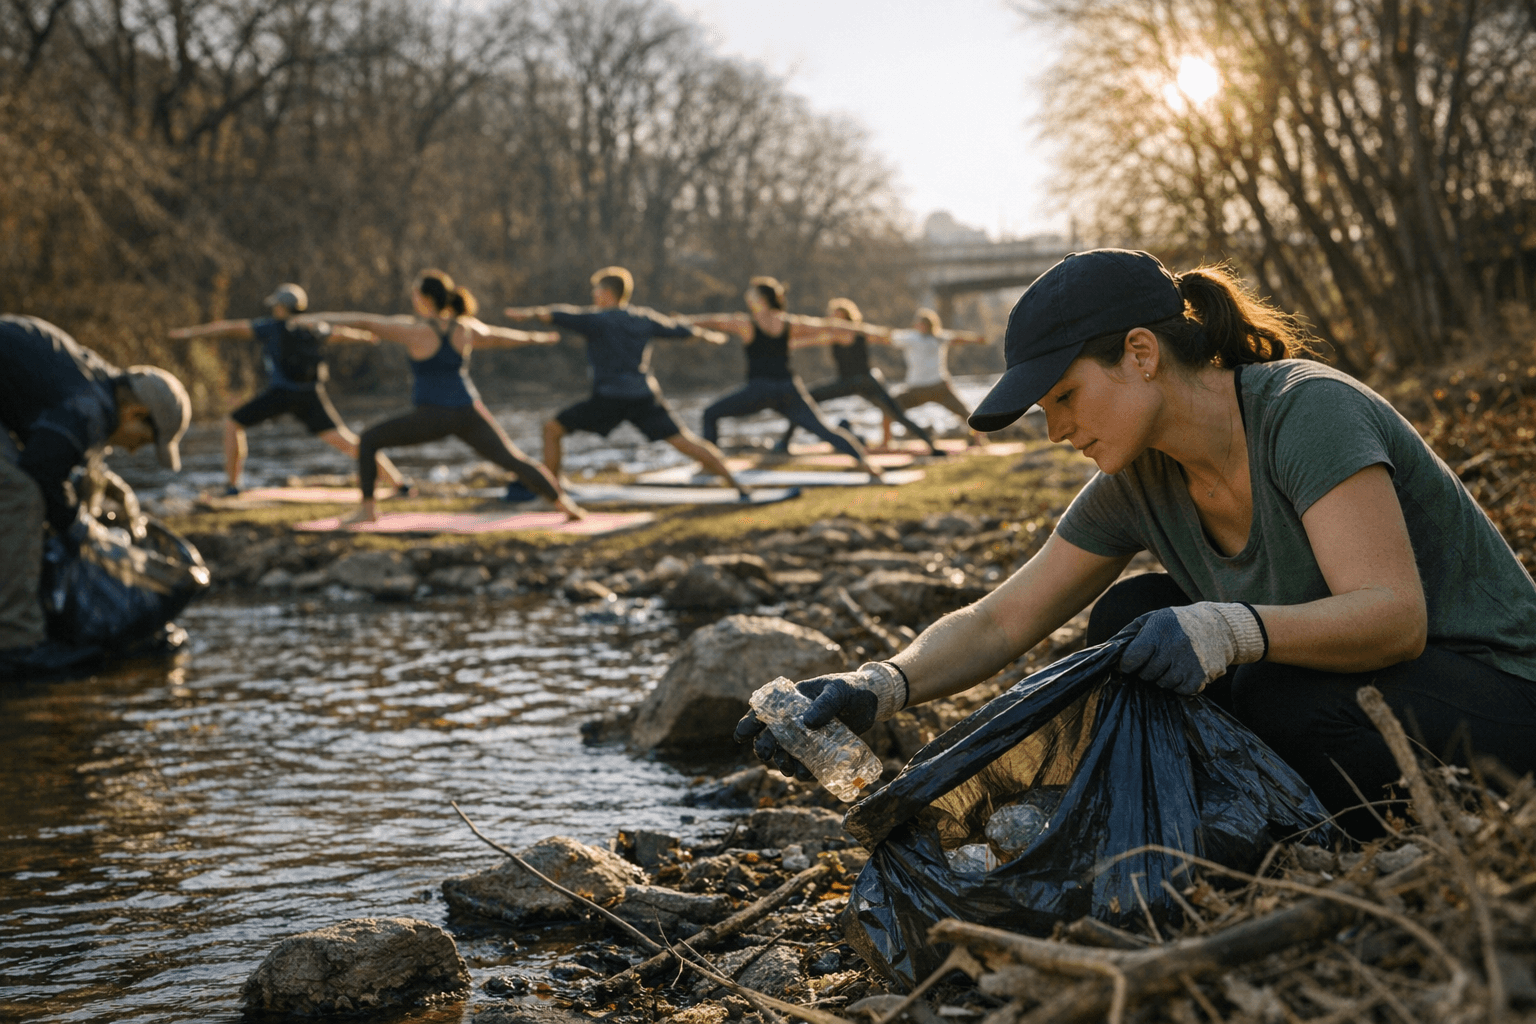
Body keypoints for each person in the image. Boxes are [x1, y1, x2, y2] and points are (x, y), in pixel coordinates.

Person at [736, 248, 1536, 838]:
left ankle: (1304, 831)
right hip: (1360, 703)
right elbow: (1003, 620)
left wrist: (1229, 630)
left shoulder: (1306, 412)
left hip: (1497, 697)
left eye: (1065, 397)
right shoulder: (1138, 479)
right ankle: (1267, 822)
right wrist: (878, 685)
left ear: (1141, 355)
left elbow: (1394, 617)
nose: (1053, 430)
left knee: (1263, 681)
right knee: (1136, 611)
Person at [302, 269, 584, 525]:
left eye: (415, 293)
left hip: (432, 416)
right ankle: (565, 504)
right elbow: (499, 337)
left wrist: (313, 319)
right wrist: (537, 339)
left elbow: (365, 322)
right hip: (468, 412)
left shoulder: (413, 331)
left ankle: (367, 510)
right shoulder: (464, 327)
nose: (413, 298)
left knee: (369, 440)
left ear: (424, 298)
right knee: (514, 460)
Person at [1, 315, 191, 653]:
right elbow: (43, 473)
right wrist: (83, 533)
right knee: (21, 495)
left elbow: (60, 452)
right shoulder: (89, 406)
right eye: (144, 441)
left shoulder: (96, 385)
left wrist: (109, 488)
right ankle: (17, 641)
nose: (134, 451)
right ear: (134, 413)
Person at [503, 266, 752, 499]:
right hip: (643, 396)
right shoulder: (643, 318)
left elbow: (559, 314)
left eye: (596, 289)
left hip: (609, 399)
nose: (593, 294)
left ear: (606, 293)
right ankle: (737, 484)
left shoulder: (596, 320)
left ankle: (553, 490)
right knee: (684, 441)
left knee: (551, 430)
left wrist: (527, 315)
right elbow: (680, 330)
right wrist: (710, 337)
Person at [168, 283, 405, 495]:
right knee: (345, 440)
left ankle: (232, 486)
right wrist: (366, 337)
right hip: (310, 395)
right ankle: (398, 482)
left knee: (233, 424)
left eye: (276, 306)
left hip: (281, 394)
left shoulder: (271, 327)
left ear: (282, 308)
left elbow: (229, 329)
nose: (274, 310)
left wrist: (190, 333)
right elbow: (340, 335)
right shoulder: (314, 327)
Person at [682, 277, 886, 479]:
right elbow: (825, 326)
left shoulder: (747, 324)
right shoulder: (787, 322)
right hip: (788, 389)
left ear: (761, 299)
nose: (747, 296)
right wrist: (866, 331)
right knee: (824, 430)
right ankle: (865, 462)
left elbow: (715, 321)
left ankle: (709, 465)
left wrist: (683, 321)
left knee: (710, 413)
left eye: (752, 293)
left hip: (760, 390)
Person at [770, 298, 943, 458]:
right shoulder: (832, 335)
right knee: (805, 398)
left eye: (839, 317)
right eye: (833, 317)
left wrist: (916, 337)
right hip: (846, 383)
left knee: (897, 413)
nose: (835, 321)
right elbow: (809, 339)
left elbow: (887, 337)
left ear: (848, 318)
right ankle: (785, 442)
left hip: (867, 382)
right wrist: (786, 344)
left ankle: (932, 447)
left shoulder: (860, 332)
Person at [884, 308, 989, 449]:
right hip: (916, 390)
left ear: (930, 326)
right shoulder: (911, 337)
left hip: (939, 387)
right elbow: (887, 336)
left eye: (923, 324)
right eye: (919, 324)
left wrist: (977, 339)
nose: (920, 327)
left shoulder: (939, 337)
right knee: (888, 407)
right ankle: (886, 443)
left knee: (965, 413)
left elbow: (958, 338)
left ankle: (979, 440)